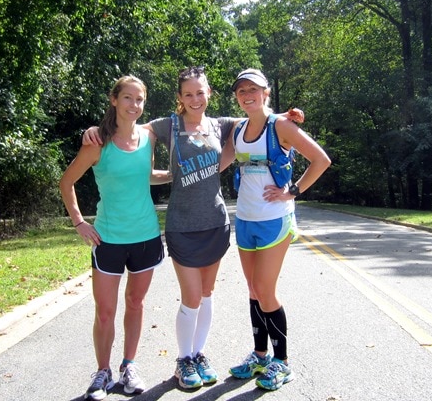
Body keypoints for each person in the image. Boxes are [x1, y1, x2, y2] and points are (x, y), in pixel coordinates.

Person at [82, 67, 304, 390]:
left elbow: (256, 116)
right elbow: (128, 126)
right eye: (188, 94)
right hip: (182, 226)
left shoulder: (221, 125)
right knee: (191, 297)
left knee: (207, 294)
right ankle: (183, 359)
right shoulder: (167, 126)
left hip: (215, 223)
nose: (195, 99)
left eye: (200, 92)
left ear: (209, 94)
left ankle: (199, 354)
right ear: (180, 97)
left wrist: (283, 116)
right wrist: (95, 130)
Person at [60, 75, 170, 401]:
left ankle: (129, 366)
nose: (134, 105)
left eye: (139, 99)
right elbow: (66, 183)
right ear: (114, 99)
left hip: (146, 236)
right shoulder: (97, 142)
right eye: (127, 98)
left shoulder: (148, 137)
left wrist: (175, 175)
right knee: (105, 312)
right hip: (108, 239)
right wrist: (79, 222)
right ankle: (103, 372)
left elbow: (146, 176)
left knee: (135, 303)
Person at [227, 69, 331, 391]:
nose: (247, 95)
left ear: (266, 92)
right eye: (242, 90)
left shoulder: (281, 126)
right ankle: (259, 356)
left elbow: (321, 159)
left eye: (254, 89)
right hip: (245, 219)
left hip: (275, 219)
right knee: (253, 289)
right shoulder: (238, 128)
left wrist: (293, 191)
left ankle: (282, 362)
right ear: (236, 96)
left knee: (265, 289)